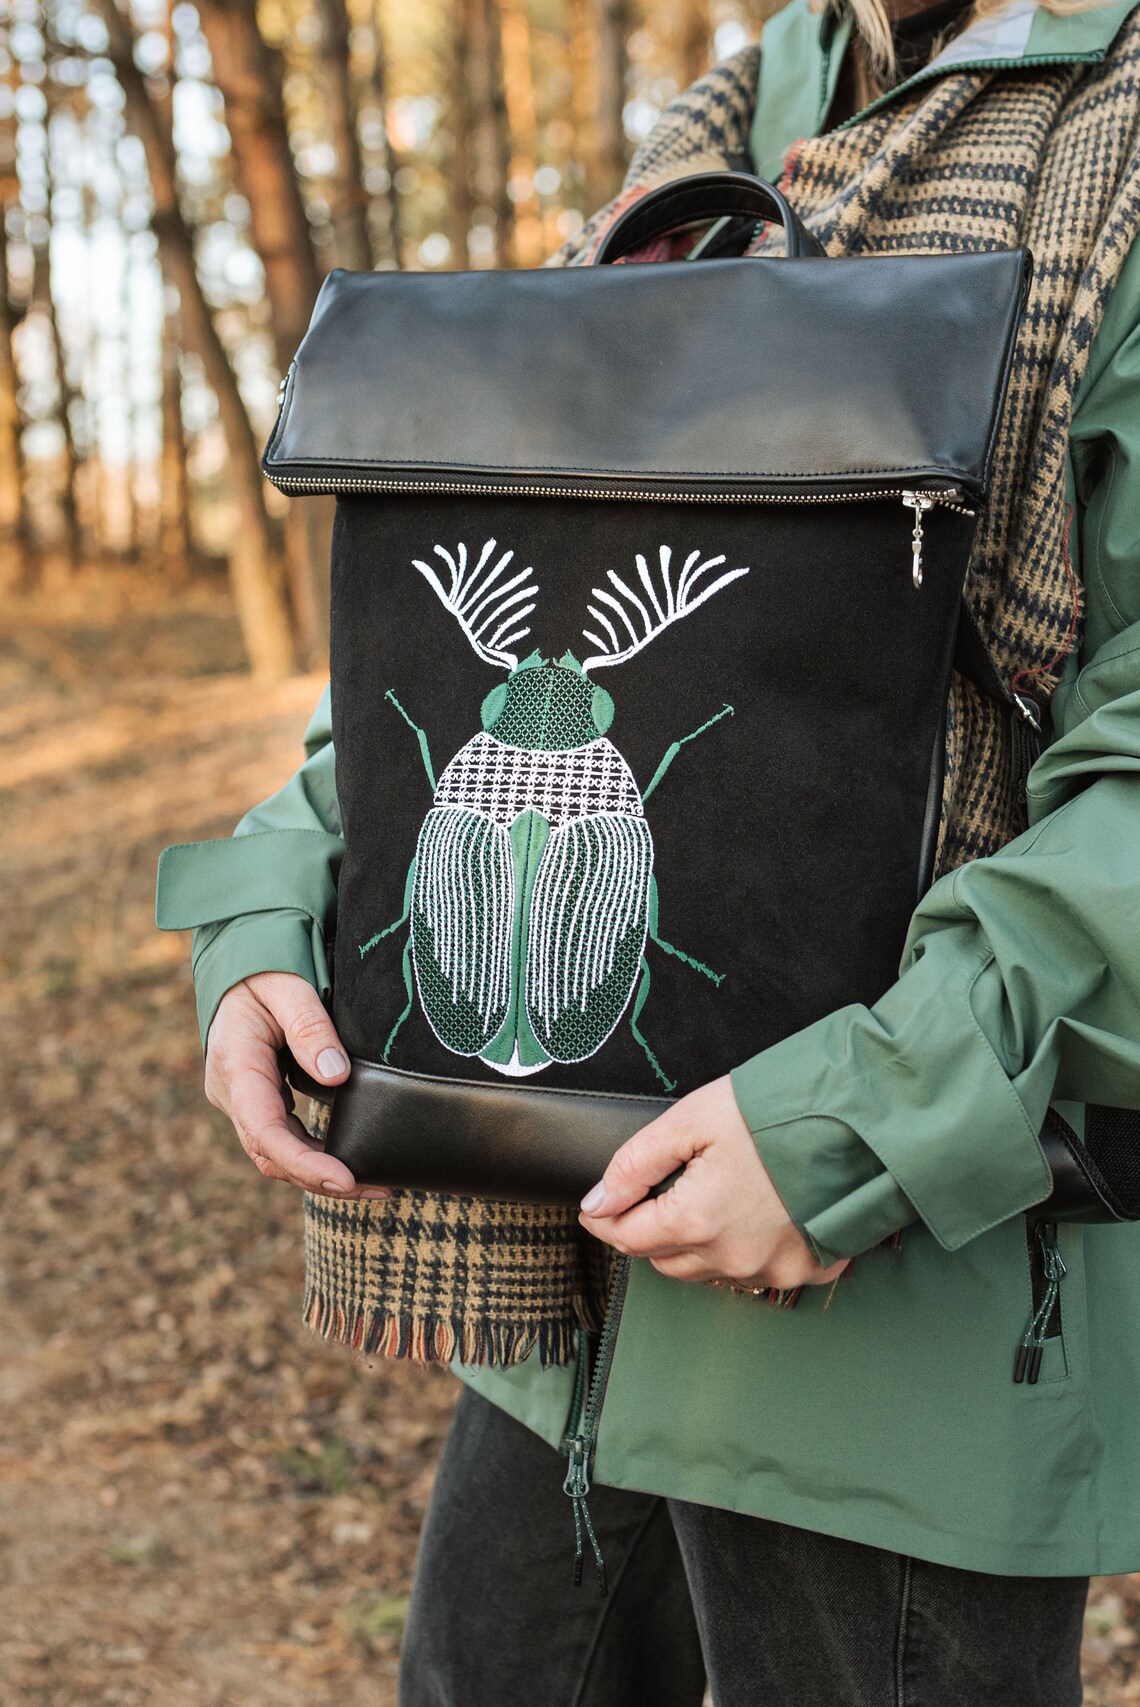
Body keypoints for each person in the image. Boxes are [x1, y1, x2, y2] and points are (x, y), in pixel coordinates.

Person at [156, 0, 1140, 1700]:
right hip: (558, 1270)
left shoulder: (1109, 147)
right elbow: (445, 643)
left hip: (906, 1309)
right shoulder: (728, 119)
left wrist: (855, 1124)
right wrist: (272, 916)